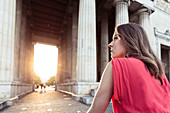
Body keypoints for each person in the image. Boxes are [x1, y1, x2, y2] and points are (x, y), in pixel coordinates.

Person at [87, 23, 170, 113]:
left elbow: (95, 110)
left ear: (130, 40)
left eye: (116, 38)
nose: (110, 44)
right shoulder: (158, 70)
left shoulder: (117, 65)